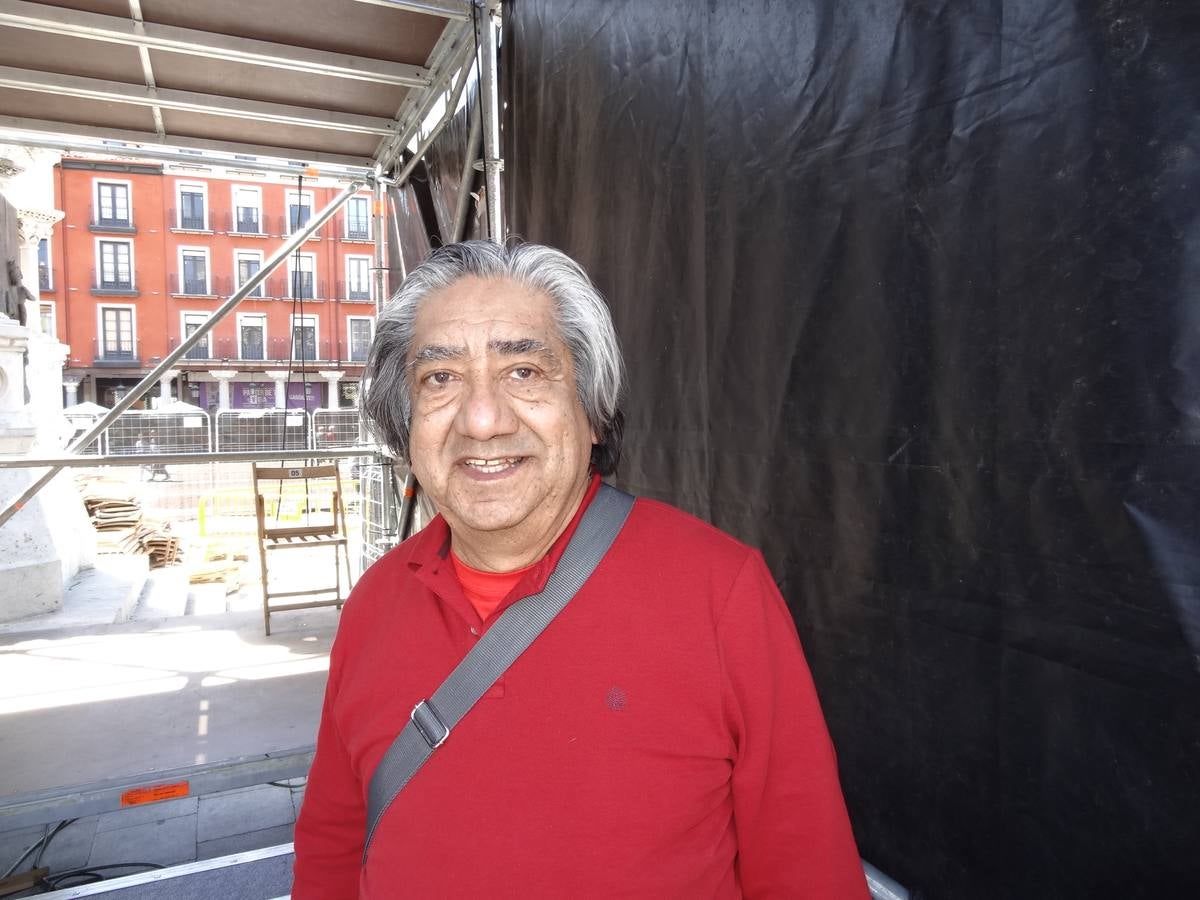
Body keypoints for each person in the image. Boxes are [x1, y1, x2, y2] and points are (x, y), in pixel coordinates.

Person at [292, 241, 868, 898]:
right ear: (407, 422)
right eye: (441, 379)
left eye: (526, 373)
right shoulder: (374, 604)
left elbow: (807, 870)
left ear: (591, 412)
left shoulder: (720, 594)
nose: (482, 420)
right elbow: (333, 845)